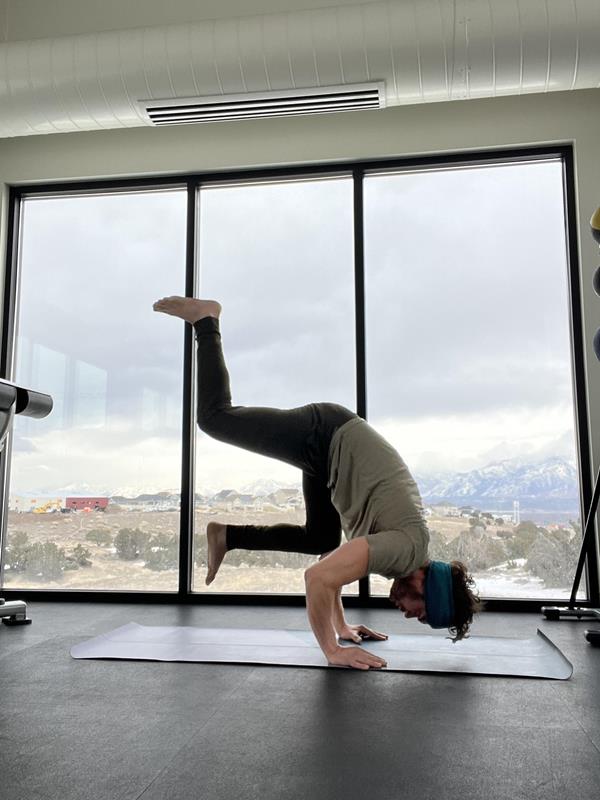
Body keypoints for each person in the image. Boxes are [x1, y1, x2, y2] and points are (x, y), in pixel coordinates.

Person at [153, 296, 483, 671]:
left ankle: (226, 535)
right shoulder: (404, 551)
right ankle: (206, 321)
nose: (408, 615)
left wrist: (341, 627)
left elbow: (333, 565)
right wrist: (332, 650)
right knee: (215, 418)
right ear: (429, 589)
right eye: (420, 613)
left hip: (330, 458)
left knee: (321, 539)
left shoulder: (405, 553)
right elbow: (318, 578)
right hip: (324, 437)